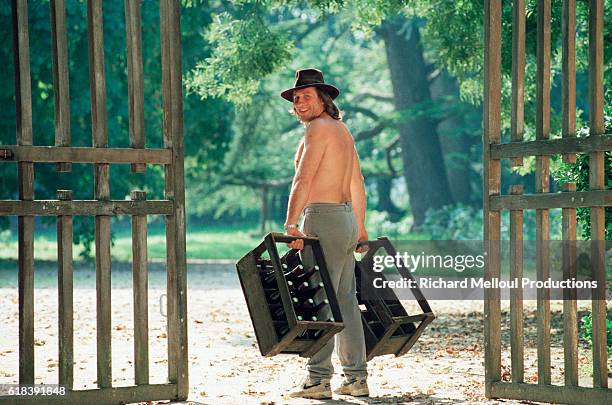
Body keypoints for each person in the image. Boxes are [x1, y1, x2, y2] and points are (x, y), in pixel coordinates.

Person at [280, 68, 370, 399]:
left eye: (306, 96)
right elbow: (356, 183)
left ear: (323, 99)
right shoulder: (341, 131)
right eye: (296, 98)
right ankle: (356, 378)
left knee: (320, 297)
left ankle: (318, 380)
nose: (300, 102)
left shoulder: (318, 129)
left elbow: (303, 179)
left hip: (323, 217)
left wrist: (291, 223)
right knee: (344, 298)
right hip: (344, 219)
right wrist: (359, 227)